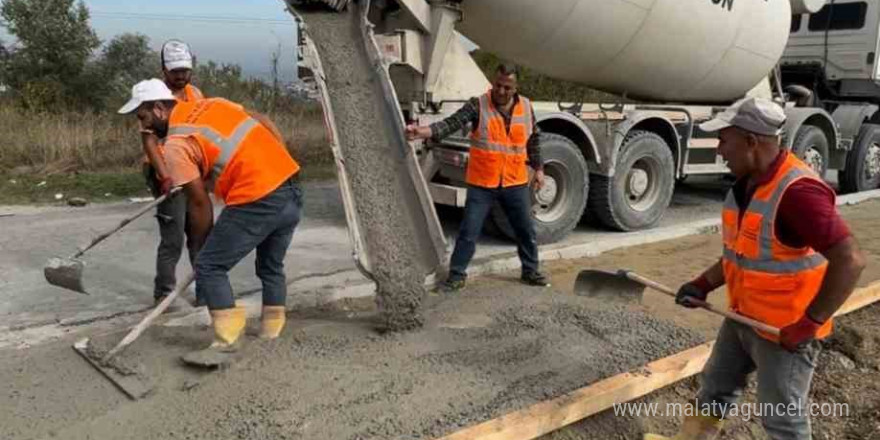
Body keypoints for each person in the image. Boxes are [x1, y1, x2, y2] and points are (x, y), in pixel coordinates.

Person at [645, 97, 866, 440]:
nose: (720, 150)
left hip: (784, 333)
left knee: (783, 422)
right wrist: (703, 283)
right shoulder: (746, 184)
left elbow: (850, 260)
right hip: (742, 318)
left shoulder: (798, 193)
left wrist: (809, 324)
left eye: (724, 139)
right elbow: (742, 255)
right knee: (714, 392)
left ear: (751, 141)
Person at [119, 79, 302, 365]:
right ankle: (271, 331)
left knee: (210, 266)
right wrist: (280, 160)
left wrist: (203, 249)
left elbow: (199, 203)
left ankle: (227, 342)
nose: (143, 126)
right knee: (270, 265)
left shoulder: (176, 145)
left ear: (158, 108)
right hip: (290, 186)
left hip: (257, 198)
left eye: (143, 117)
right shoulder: (213, 104)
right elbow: (262, 120)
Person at [405, 64, 549, 292]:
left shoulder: (526, 107)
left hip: (515, 181)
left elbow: (533, 140)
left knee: (525, 230)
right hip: (483, 183)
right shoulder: (478, 104)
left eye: (507, 87)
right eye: (498, 85)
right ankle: (456, 276)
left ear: (515, 88)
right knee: (469, 232)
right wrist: (423, 132)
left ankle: (530, 271)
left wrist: (539, 168)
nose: (501, 91)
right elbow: (450, 124)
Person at [139, 39, 205, 306]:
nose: (180, 76)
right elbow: (150, 143)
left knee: (200, 231)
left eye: (185, 70)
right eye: (175, 71)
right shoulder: (152, 97)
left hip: (192, 169)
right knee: (173, 237)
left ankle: (207, 288)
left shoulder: (196, 95)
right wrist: (164, 175)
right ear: (163, 69)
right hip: (163, 170)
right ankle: (163, 294)